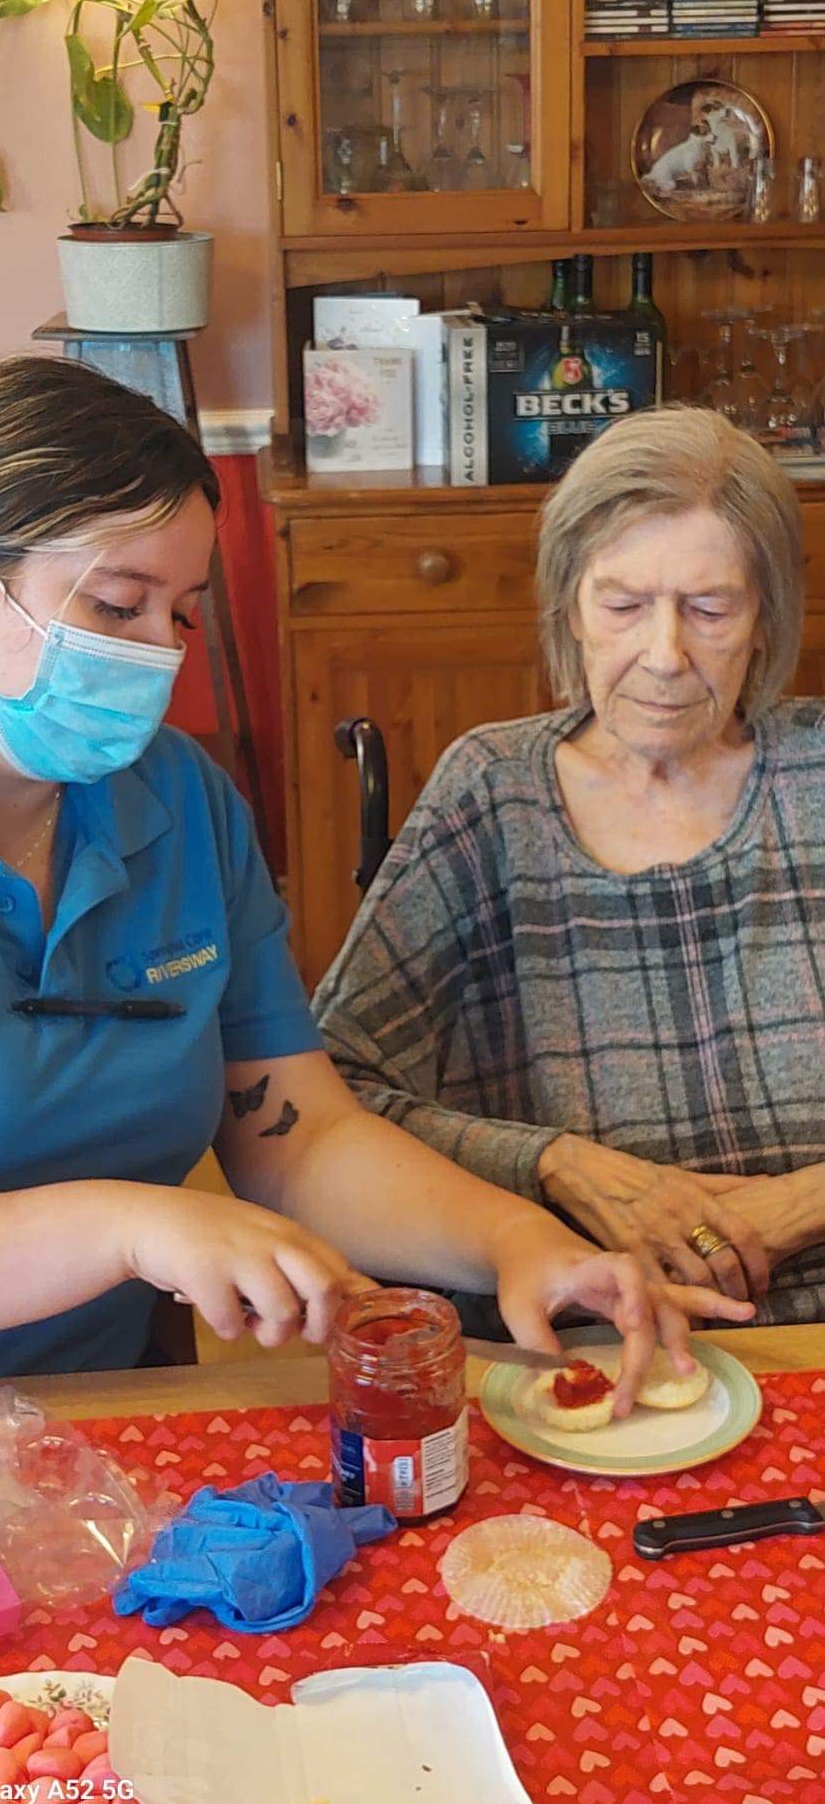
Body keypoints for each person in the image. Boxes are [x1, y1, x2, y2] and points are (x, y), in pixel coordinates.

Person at [0, 360, 750, 1408]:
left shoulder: (177, 800)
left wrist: (516, 1240)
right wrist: (123, 1227)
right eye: (118, 607)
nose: (160, 657)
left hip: (89, 1411)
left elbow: (299, 1138)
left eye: (182, 615)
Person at [314, 405, 825, 1328]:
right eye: (622, 606)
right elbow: (331, 1095)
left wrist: (799, 1204)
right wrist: (557, 1163)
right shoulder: (492, 791)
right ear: (569, 610)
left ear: (764, 618)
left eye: (710, 609)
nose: (663, 656)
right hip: (577, 1335)